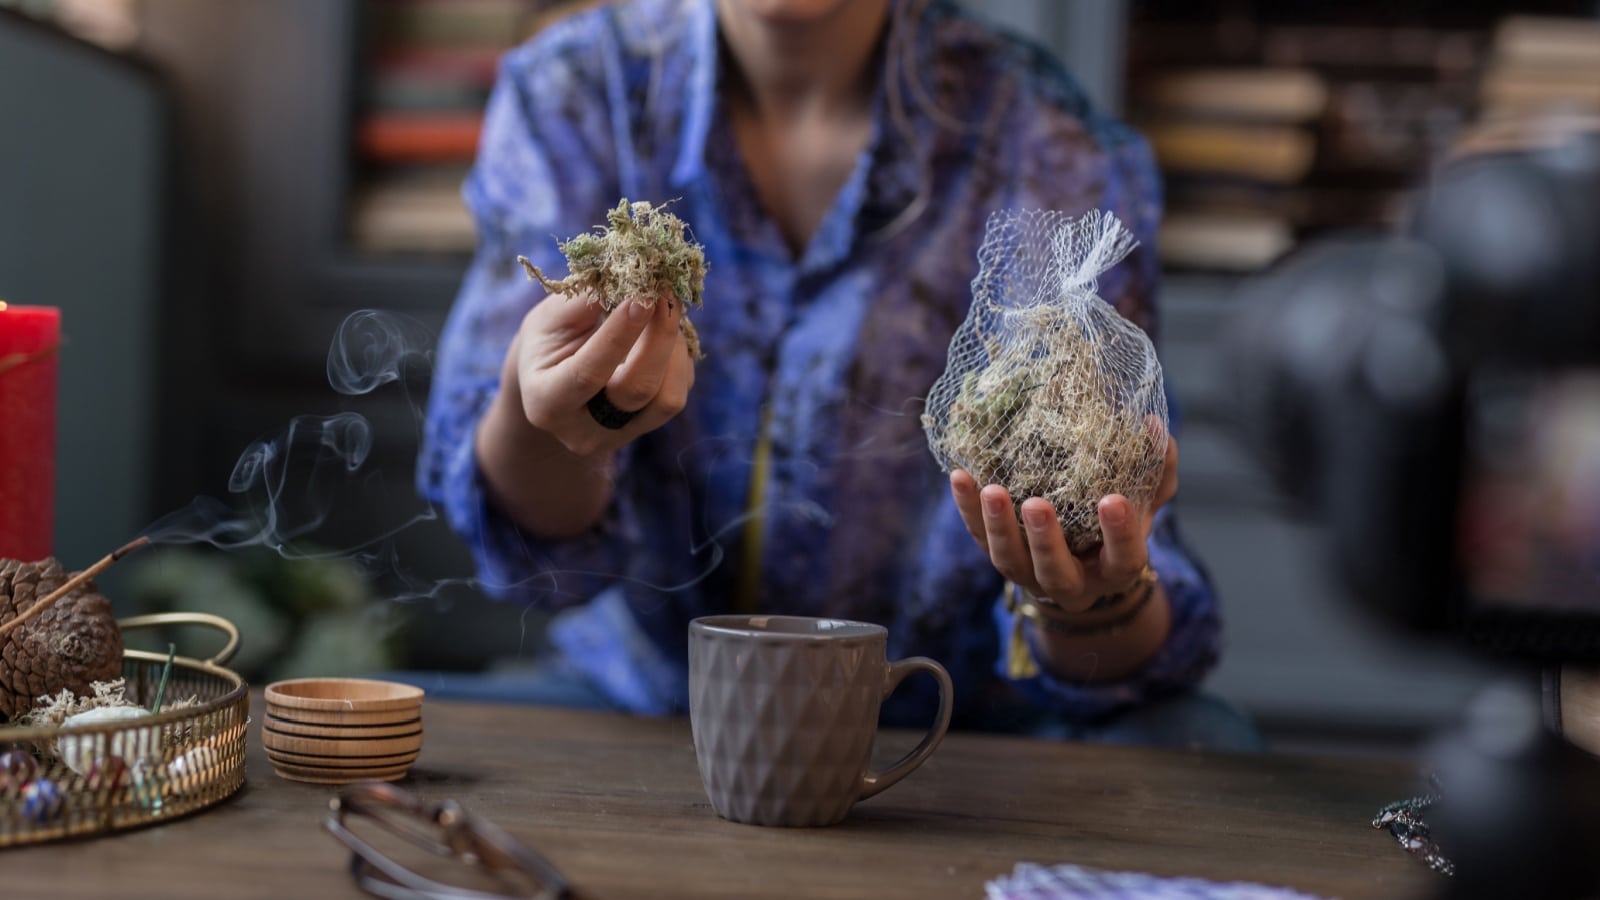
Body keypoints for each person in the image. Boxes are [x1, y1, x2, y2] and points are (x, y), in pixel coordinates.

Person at [417, 0, 1261, 750]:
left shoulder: (1044, 141)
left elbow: (1130, 639)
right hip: (653, 706)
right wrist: (553, 422)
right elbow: (538, 563)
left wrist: (1089, 597)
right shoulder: (578, 94)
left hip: (959, 730)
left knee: (1203, 743)